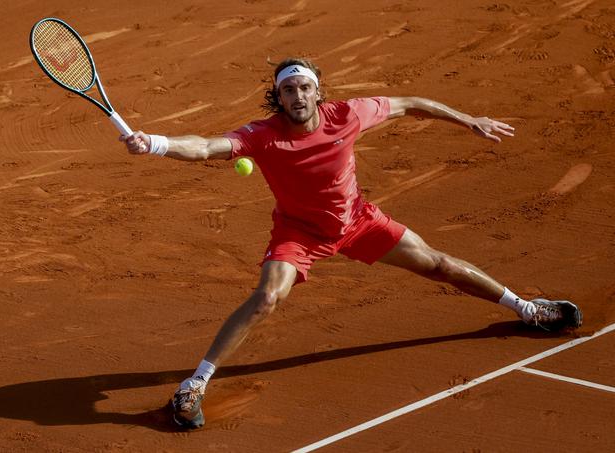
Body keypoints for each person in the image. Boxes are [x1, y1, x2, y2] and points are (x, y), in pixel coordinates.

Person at [120, 57, 583, 430]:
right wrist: (155, 143)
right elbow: (205, 146)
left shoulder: (348, 114)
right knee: (266, 299)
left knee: (438, 264)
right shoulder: (262, 136)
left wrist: (468, 120)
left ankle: (527, 309)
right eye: (288, 89)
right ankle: (195, 383)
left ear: (318, 91)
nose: (297, 96)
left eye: (304, 87)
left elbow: (409, 103)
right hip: (299, 233)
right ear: (277, 97)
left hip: (356, 221)